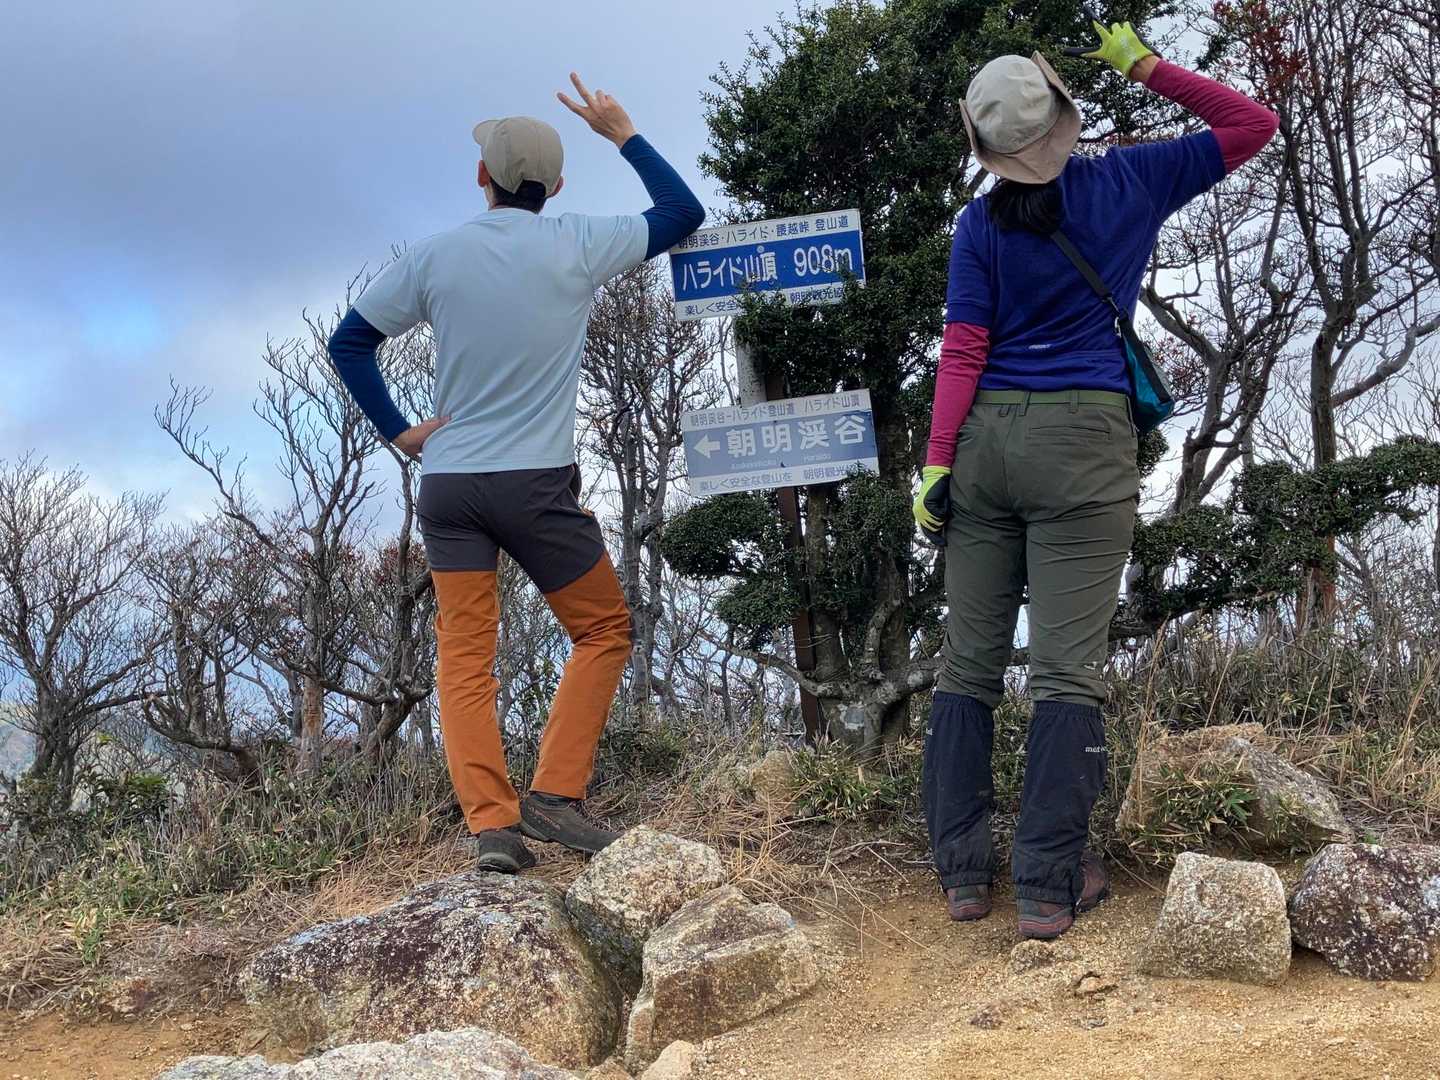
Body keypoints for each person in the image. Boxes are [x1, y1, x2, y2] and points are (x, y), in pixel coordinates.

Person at [913, 23, 1278, 938]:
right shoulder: (1129, 182)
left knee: (968, 665)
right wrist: (1142, 65)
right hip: (1085, 439)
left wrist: (937, 463)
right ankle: (1046, 885)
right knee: (1067, 670)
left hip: (986, 440)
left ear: (987, 145)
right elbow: (1252, 124)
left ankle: (964, 875)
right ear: (1060, 114)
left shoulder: (978, 225)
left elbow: (964, 348)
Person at [328, 74, 705, 873]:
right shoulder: (577, 243)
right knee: (603, 630)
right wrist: (622, 132)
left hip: (451, 488)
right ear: (555, 189)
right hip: (535, 488)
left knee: (466, 658)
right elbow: (681, 213)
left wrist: (400, 431)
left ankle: (493, 829)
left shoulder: (435, 256)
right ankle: (555, 798)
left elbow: (349, 343)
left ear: (482, 177)